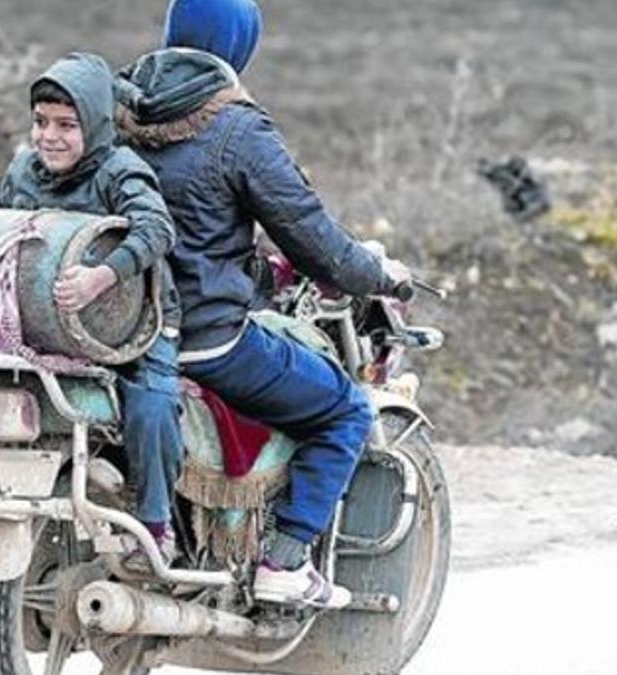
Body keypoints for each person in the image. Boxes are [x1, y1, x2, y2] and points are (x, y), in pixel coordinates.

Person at [115, 0, 411, 607]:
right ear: (240, 45)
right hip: (205, 338)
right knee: (345, 410)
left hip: (113, 328)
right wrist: (376, 274)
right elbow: (314, 240)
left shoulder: (113, 106)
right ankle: (286, 559)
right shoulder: (237, 128)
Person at [0, 52, 183, 567]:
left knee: (153, 406)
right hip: (44, 326)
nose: (49, 136)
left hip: (131, 325)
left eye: (67, 126)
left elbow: (157, 228)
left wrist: (103, 275)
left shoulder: (120, 171)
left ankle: (157, 525)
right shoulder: (25, 171)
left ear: (93, 126)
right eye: (40, 122)